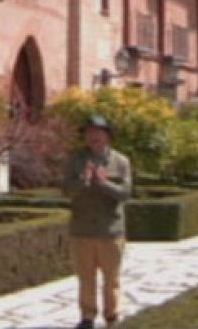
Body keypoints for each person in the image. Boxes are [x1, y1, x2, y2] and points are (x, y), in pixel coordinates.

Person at [62, 114, 132, 329]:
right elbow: (66, 190)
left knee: (111, 279)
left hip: (110, 230)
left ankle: (111, 315)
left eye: (99, 132)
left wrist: (103, 183)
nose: (94, 137)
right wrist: (83, 181)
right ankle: (87, 317)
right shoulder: (75, 160)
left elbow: (125, 193)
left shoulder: (120, 161)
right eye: (90, 132)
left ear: (107, 136)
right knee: (86, 278)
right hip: (82, 229)